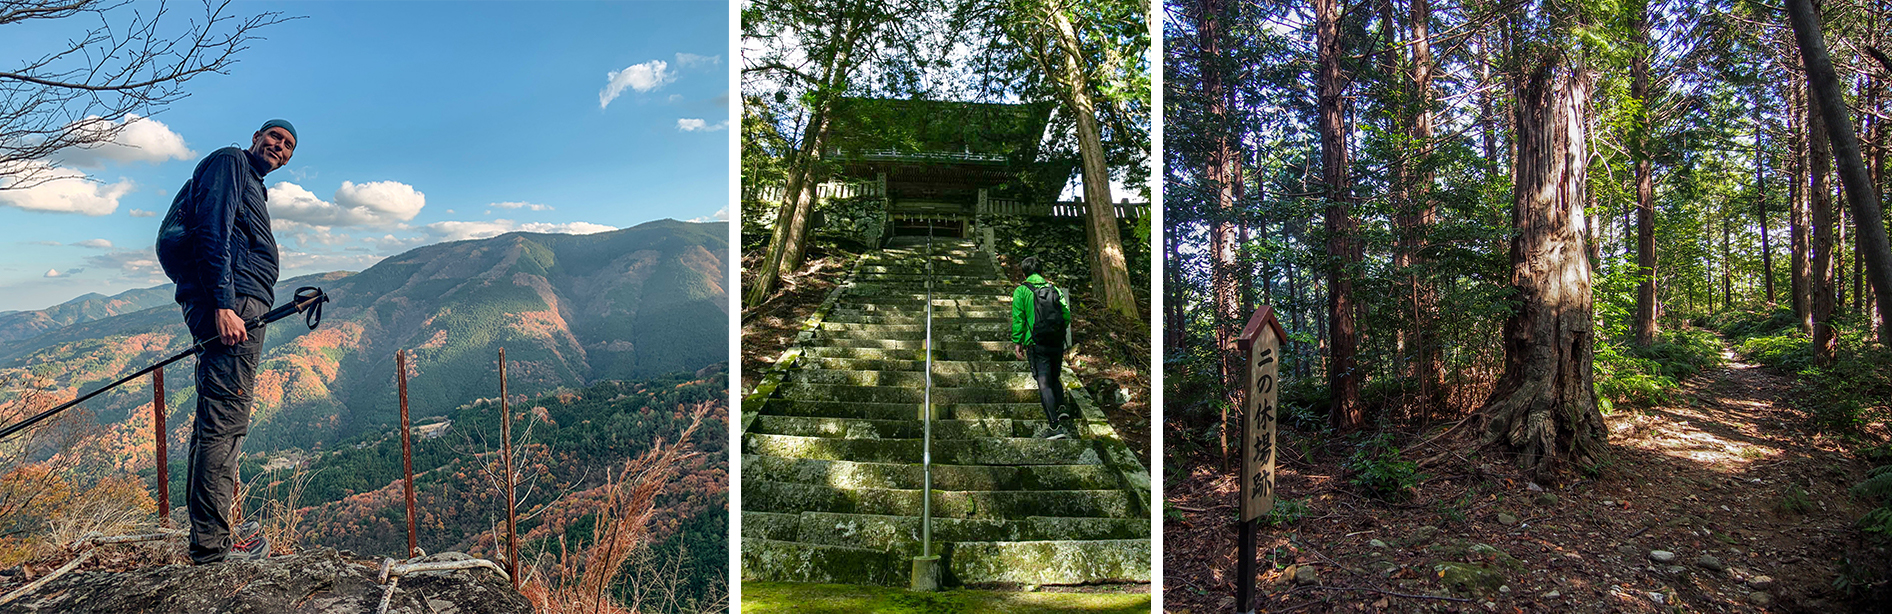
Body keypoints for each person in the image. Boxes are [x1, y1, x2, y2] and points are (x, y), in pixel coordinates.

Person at [155, 119, 297, 564]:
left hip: (236, 304)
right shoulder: (231, 162)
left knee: (212, 422)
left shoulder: (248, 178)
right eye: (274, 137)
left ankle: (210, 533)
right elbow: (213, 230)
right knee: (225, 424)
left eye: (289, 145)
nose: (280, 146)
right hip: (233, 307)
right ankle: (213, 548)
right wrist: (223, 304)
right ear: (256, 136)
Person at [1010, 256, 1073, 439]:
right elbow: (1066, 314)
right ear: (1041, 271)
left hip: (1036, 343)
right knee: (1055, 376)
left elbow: (1019, 319)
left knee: (1044, 382)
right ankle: (1061, 406)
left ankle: (1055, 427)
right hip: (1055, 341)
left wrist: (1018, 341)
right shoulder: (1053, 289)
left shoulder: (1021, 291)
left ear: (1024, 272)